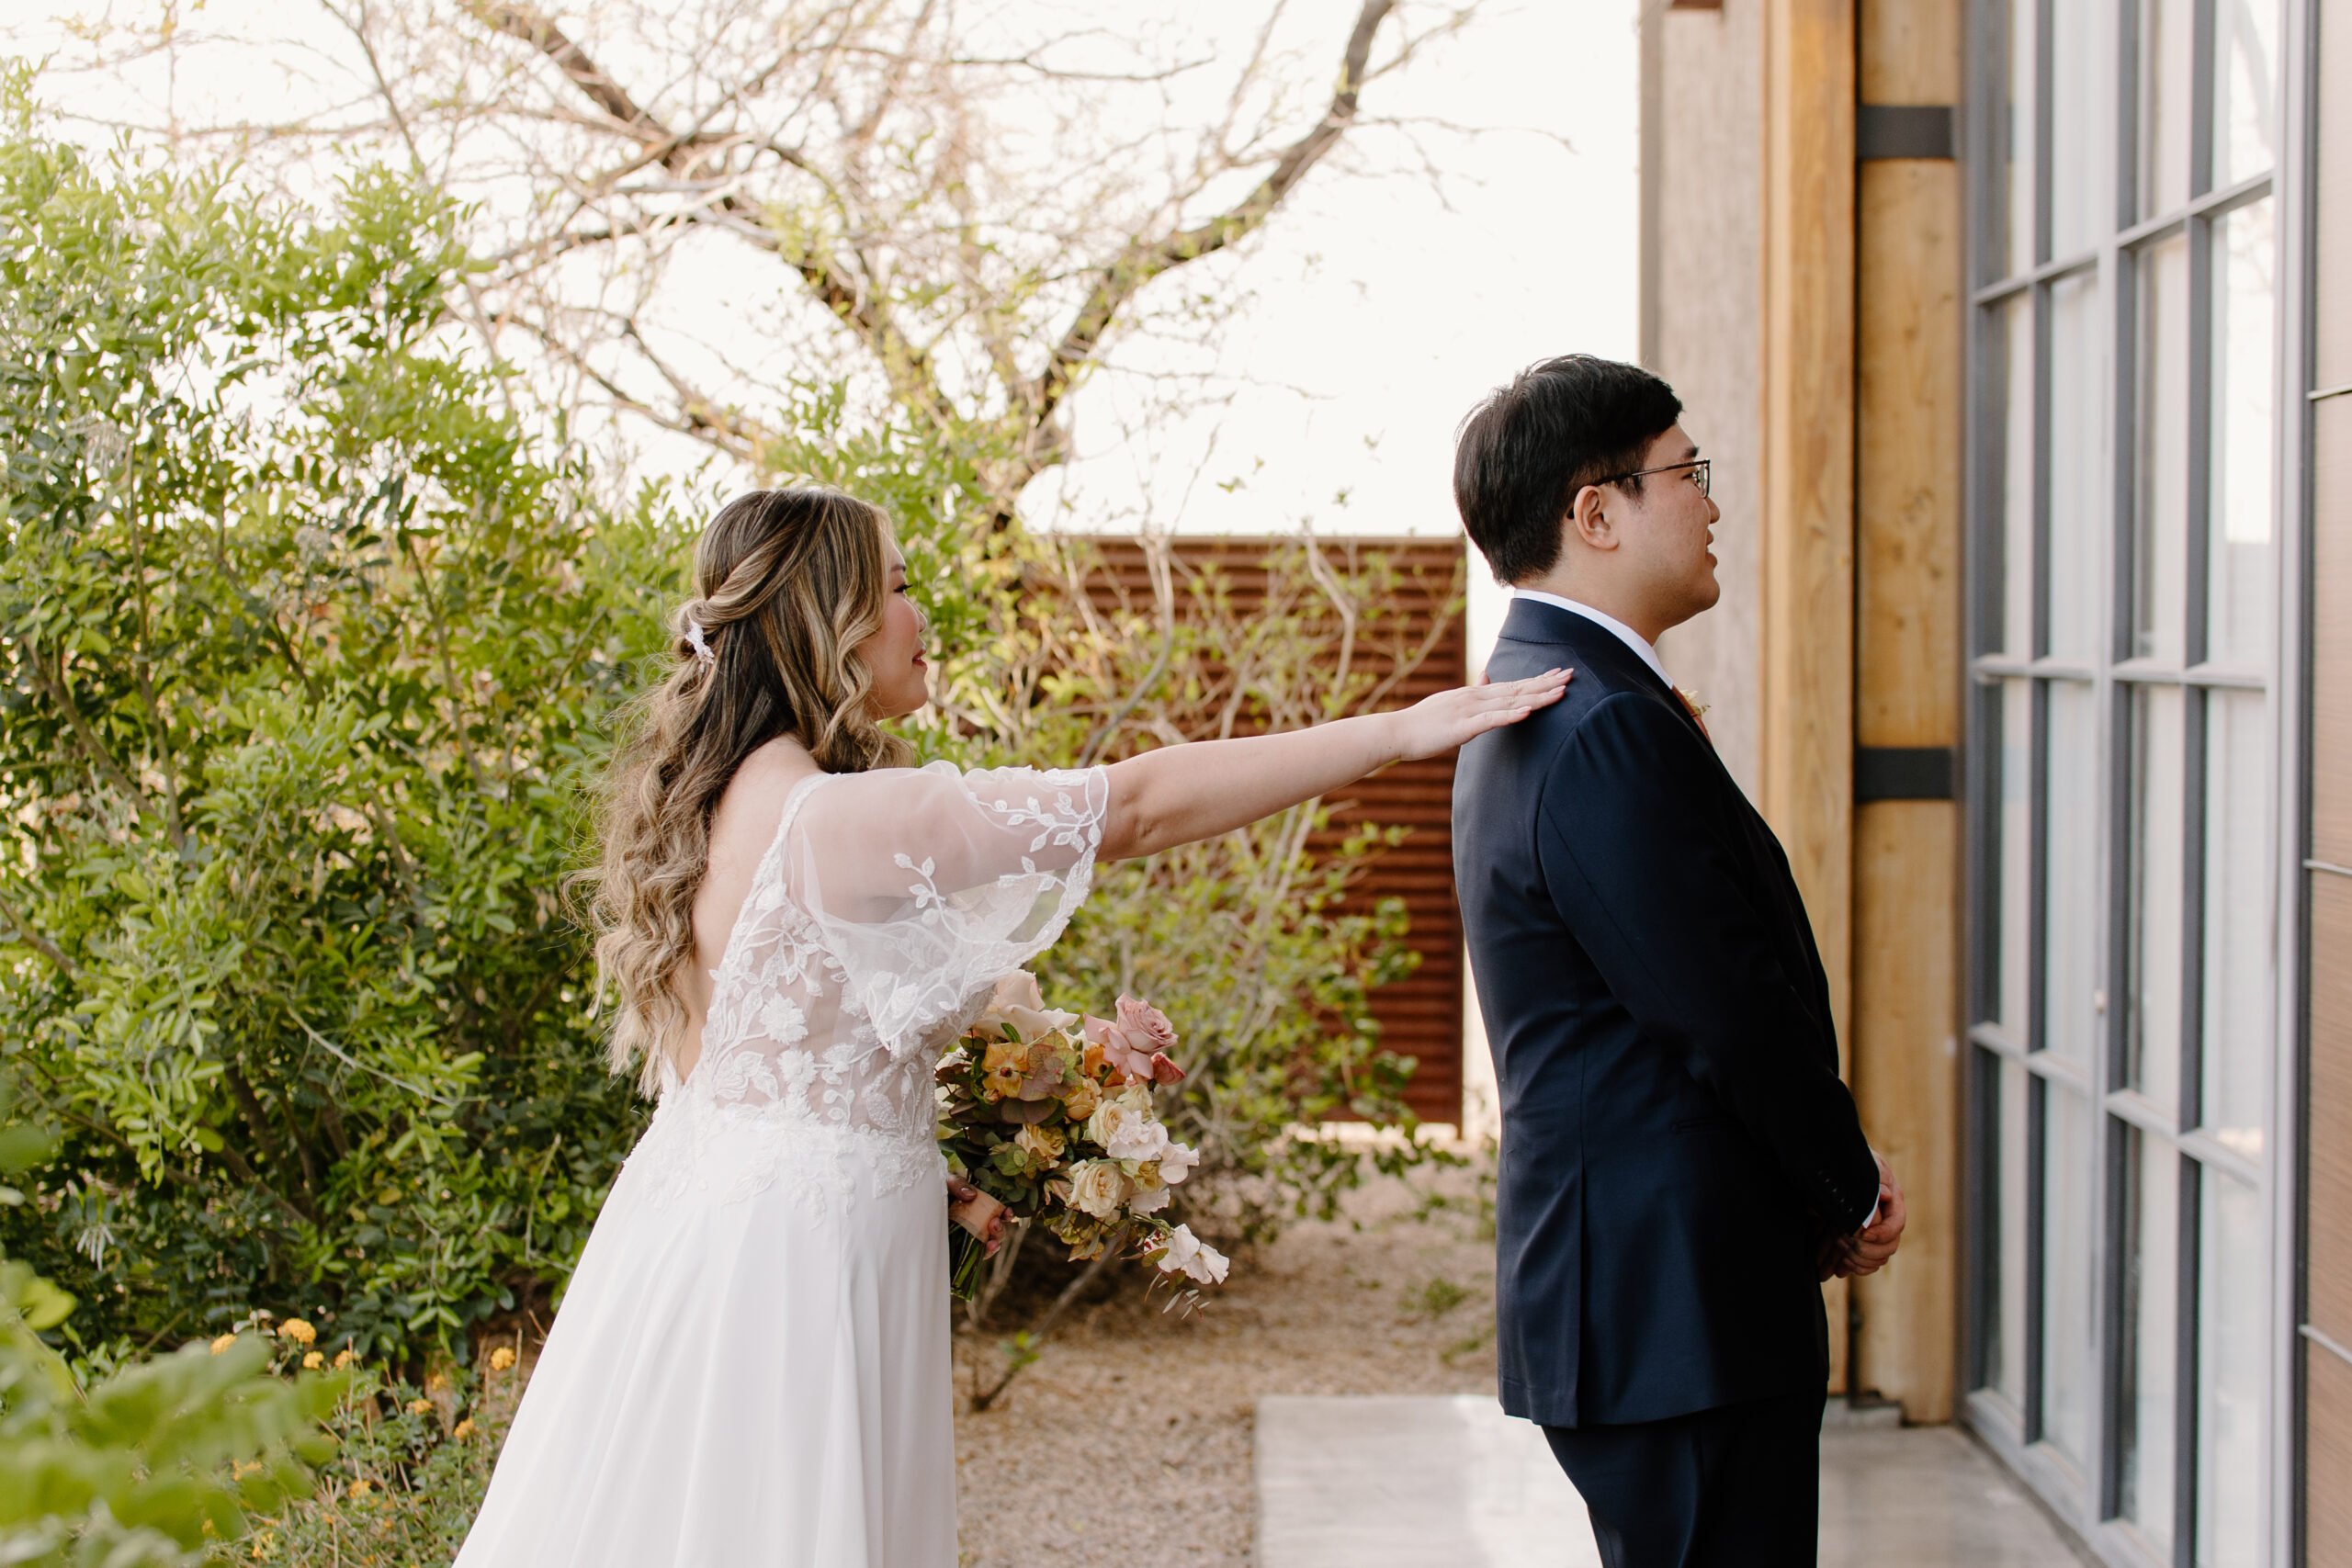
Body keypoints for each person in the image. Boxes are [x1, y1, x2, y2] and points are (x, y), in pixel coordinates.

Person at [449, 487, 1568, 1567]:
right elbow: (1135, 805)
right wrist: (1403, 729)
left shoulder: (724, 801)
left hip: (714, 1227)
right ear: (823, 621)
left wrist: (938, 1150)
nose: (918, 615)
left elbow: (758, 1069)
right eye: (895, 586)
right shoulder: (838, 817)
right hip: (805, 1260)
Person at [1450, 355, 1907, 1567]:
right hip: (1674, 1309)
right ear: (1593, 514)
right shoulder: (1593, 724)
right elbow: (1724, 1009)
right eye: (1686, 472)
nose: (1711, 500)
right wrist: (1846, 1184)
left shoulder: (1551, 701)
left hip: (1663, 1303)